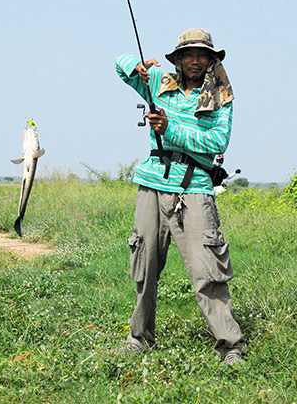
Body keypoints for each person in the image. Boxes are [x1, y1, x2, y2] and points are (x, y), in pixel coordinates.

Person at [114, 28, 244, 365]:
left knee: (208, 272)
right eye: (189, 54)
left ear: (212, 60)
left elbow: (216, 144)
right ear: (179, 59)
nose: (196, 60)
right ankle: (139, 338)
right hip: (152, 184)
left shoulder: (221, 97)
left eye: (203, 55)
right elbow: (118, 65)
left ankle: (230, 346)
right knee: (146, 265)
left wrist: (168, 128)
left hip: (195, 189)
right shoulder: (159, 82)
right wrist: (138, 65)